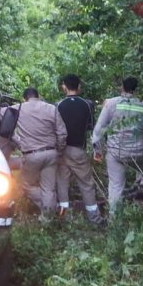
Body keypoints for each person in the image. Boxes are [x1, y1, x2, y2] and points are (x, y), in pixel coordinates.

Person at [0, 87, 67, 217]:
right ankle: (49, 217)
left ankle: (52, 208)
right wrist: (59, 150)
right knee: (49, 189)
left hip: (32, 154)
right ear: (38, 96)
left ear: (24, 98)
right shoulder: (52, 109)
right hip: (52, 153)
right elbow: (62, 133)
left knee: (27, 185)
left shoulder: (19, 108)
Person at [92, 76, 143, 215]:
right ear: (136, 89)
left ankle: (114, 218)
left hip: (116, 152)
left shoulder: (111, 104)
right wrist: (141, 145)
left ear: (122, 87)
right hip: (138, 151)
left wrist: (98, 149)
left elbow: (99, 128)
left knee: (115, 185)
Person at [55, 74, 103, 225]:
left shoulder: (58, 105)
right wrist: (97, 150)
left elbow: (55, 129)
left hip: (62, 150)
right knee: (87, 184)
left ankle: (64, 217)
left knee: (62, 183)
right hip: (79, 150)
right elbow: (92, 128)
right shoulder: (87, 104)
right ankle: (94, 218)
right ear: (79, 86)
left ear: (64, 86)